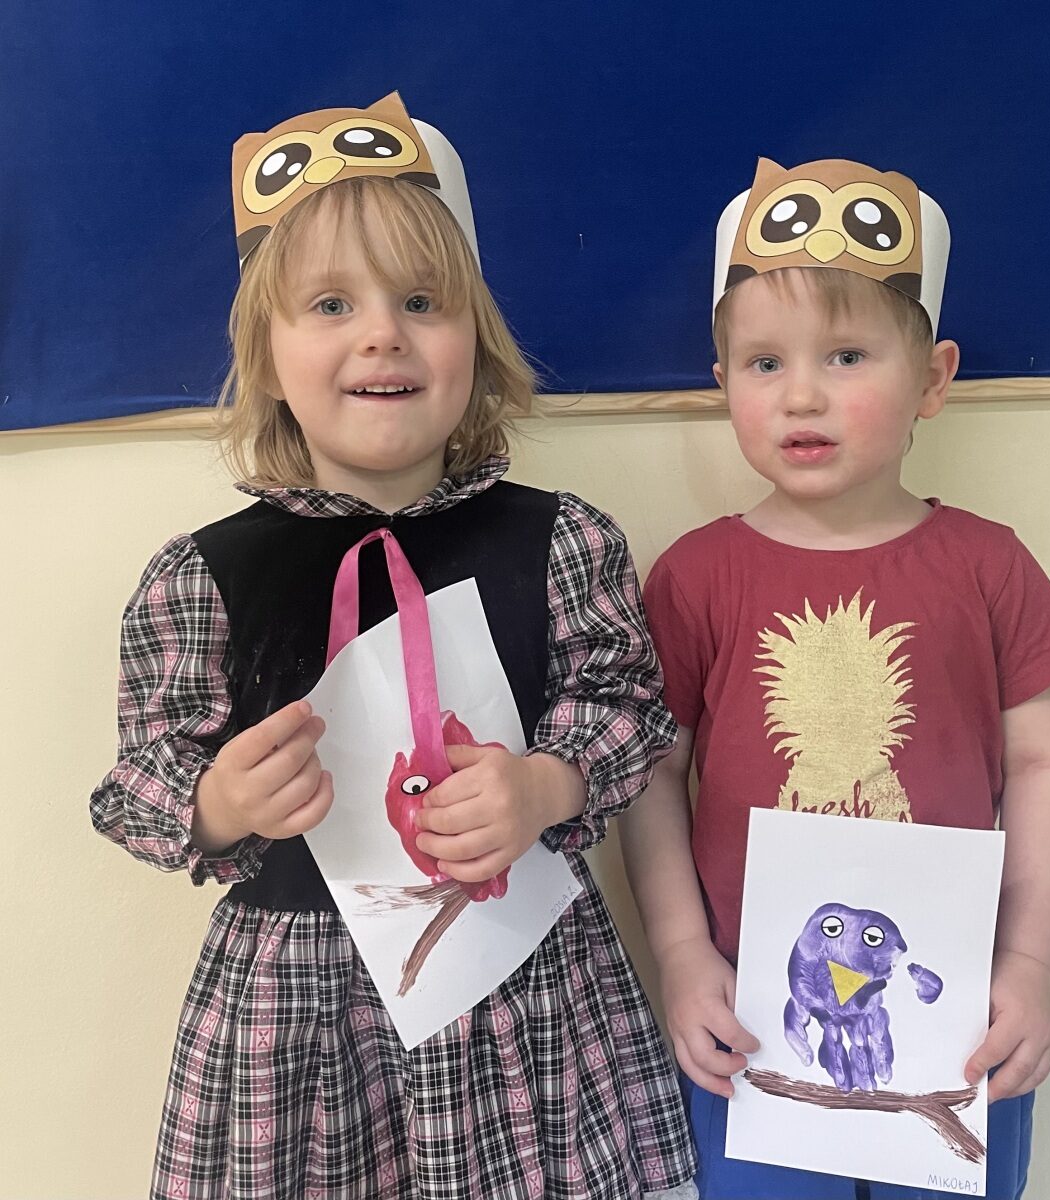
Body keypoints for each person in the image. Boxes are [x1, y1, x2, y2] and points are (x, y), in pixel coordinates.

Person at [91, 92, 696, 1200]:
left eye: (421, 301)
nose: (382, 334)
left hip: (520, 989)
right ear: (266, 357)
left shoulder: (561, 541)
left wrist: (544, 785)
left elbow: (626, 709)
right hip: (300, 1021)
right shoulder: (202, 577)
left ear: (476, 343)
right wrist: (218, 803)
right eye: (331, 304)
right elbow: (139, 779)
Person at [621, 157, 1050, 1199]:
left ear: (933, 379)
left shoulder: (988, 564)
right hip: (753, 1017)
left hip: (954, 1011)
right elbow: (651, 775)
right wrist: (682, 951)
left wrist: (1030, 962)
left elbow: (1048, 766)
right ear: (721, 382)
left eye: (846, 356)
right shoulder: (695, 575)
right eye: (763, 363)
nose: (802, 394)